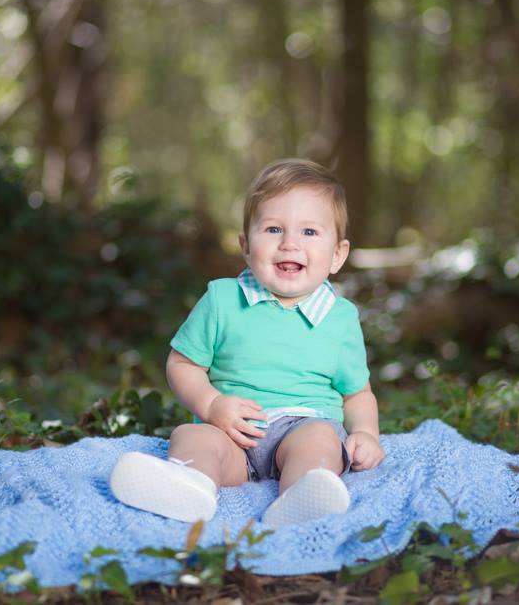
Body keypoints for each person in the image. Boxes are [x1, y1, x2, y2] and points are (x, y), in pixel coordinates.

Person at [109, 159, 384, 528]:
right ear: (245, 245)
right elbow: (183, 364)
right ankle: (191, 486)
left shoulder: (340, 317)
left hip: (304, 426)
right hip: (232, 434)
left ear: (337, 255)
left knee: (320, 441)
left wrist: (366, 433)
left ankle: (304, 494)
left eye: (309, 232)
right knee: (192, 436)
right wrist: (211, 405)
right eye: (273, 229)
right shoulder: (222, 300)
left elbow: (356, 394)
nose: (289, 243)